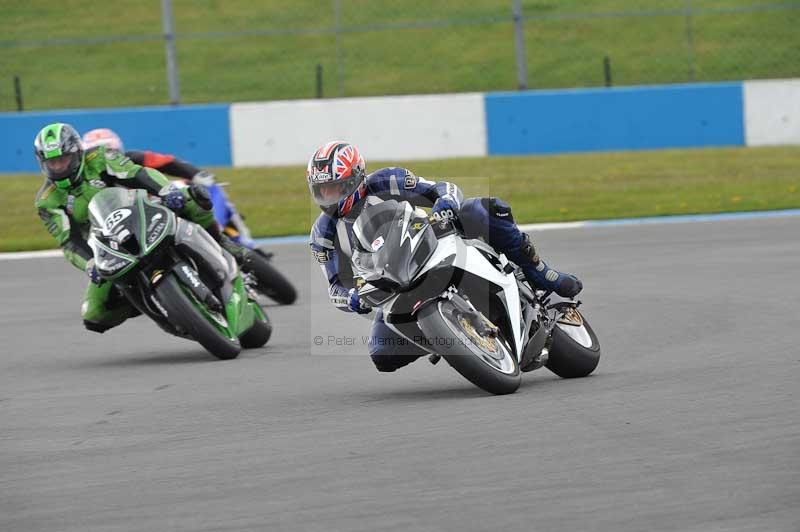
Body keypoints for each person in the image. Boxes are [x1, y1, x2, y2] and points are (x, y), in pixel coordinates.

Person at [307, 140, 582, 373]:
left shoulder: (385, 180)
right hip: (391, 283)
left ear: (356, 177)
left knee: (480, 209)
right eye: (323, 190)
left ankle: (538, 271)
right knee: (382, 354)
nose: (328, 196)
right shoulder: (322, 235)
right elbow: (334, 287)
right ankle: (447, 335)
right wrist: (351, 298)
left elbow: (442, 187)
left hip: (430, 238)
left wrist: (445, 203)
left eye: (335, 187)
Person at [33, 122, 243, 333]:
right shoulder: (47, 201)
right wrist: (90, 263)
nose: (59, 167)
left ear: (77, 153)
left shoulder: (98, 157)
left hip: (144, 211)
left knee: (192, 198)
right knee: (94, 316)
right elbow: (69, 241)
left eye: (64, 160)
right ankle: (146, 299)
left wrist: (166, 190)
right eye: (53, 163)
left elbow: (136, 173)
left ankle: (220, 241)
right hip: (108, 246)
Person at [81, 128, 251, 244]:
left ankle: (243, 240)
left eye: (111, 151)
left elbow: (168, 162)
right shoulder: (90, 184)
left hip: (166, 203)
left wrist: (197, 175)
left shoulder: (133, 158)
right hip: (140, 224)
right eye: (96, 154)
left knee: (203, 190)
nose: (105, 158)